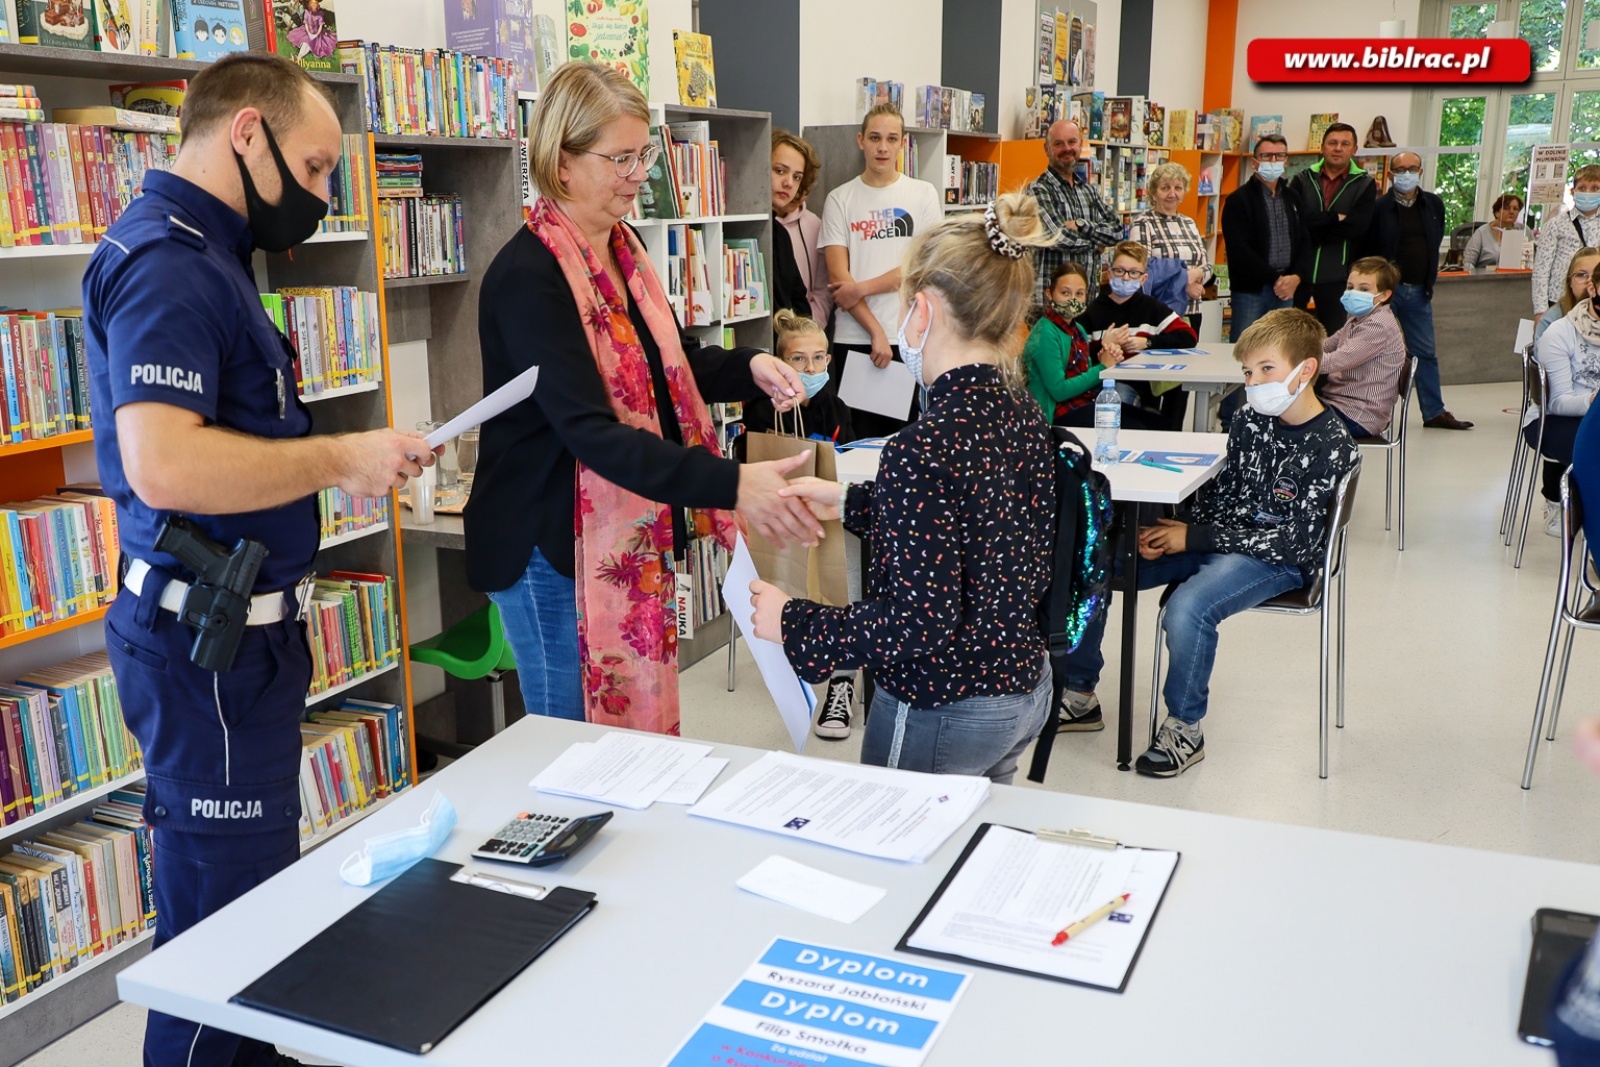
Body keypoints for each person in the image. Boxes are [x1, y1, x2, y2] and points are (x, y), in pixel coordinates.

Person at [82, 52, 433, 1067]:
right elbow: (164, 462)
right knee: (222, 934)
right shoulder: (171, 263)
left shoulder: (215, 252)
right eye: (315, 167)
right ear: (247, 131)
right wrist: (342, 458)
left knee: (245, 907)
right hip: (208, 653)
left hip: (236, 644)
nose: (320, 193)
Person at [466, 63, 820, 735]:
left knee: (619, 749)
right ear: (562, 163)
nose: (637, 176)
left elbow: (670, 364)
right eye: (619, 159)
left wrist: (750, 366)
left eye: (643, 156)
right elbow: (592, 433)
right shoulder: (528, 276)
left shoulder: (623, 250)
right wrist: (733, 482)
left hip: (609, 528)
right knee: (574, 742)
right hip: (547, 542)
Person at [748, 195, 1058, 783]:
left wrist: (794, 622)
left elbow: (918, 622)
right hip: (1021, 687)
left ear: (922, 312)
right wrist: (851, 501)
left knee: (897, 834)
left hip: (941, 704)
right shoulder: (1021, 412)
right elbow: (979, 524)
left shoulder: (922, 445)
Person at [1055, 309, 1359, 776]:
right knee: (1093, 562)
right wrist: (1172, 530)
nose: (1254, 383)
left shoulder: (1332, 444)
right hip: (1217, 540)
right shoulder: (1250, 419)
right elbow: (1223, 493)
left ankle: (1184, 727)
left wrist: (1193, 537)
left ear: (1306, 369)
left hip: (1277, 559)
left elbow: (1296, 542)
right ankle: (1080, 694)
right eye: (1248, 372)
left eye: (1266, 369)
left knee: (1188, 609)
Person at [740, 309, 859, 739]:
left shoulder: (837, 407)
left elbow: (849, 464)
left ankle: (843, 676)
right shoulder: (760, 410)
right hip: (780, 514)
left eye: (818, 358)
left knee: (847, 571)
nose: (810, 369)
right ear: (780, 362)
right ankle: (794, 654)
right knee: (784, 579)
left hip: (828, 515)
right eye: (798, 359)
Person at [819, 103, 944, 439]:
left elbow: (922, 267)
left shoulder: (923, 194)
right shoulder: (839, 199)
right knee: (857, 440)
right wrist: (875, 331)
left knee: (903, 442)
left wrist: (861, 288)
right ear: (861, 140)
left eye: (891, 139)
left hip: (910, 336)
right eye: (875, 138)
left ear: (903, 143)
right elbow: (838, 278)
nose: (883, 147)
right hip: (855, 338)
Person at [1364, 151, 1470, 430]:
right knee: (1376, 353)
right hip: (1386, 293)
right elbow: (1368, 248)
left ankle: (1434, 412)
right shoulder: (1378, 208)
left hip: (1420, 291)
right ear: (1390, 175)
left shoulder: (1433, 204)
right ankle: (1371, 412)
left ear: (1421, 172)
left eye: (1412, 168)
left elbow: (1435, 240)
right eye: (1400, 169)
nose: (1406, 174)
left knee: (1426, 354)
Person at [1079, 240, 1199, 431]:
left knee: (1117, 407)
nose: (1126, 278)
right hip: (1096, 383)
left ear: (1143, 279)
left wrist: (1147, 342)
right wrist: (1104, 345)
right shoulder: (1093, 311)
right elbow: (1078, 355)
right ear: (1110, 273)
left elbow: (1188, 336)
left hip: (1135, 386)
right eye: (1120, 271)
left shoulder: (1151, 308)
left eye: (1133, 273)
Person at [1528, 271, 1600, 538]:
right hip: (1557, 417)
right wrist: (1594, 401)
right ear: (1592, 289)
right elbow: (1556, 402)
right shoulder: (1559, 332)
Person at [1288, 122, 1376, 335]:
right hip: (1299, 274)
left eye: (1345, 144)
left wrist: (1311, 231)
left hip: (1338, 277)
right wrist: (1334, 218)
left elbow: (1356, 227)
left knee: (1333, 339)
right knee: (1291, 337)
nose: (1338, 148)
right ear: (1322, 147)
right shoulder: (1302, 179)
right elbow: (1294, 221)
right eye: (1332, 143)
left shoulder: (1364, 184)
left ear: (1354, 149)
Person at [1027, 119, 1123, 307]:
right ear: (1047, 149)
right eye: (1058, 143)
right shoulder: (1038, 189)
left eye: (1072, 142)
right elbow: (1058, 237)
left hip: (1086, 301)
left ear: (1080, 144)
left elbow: (1118, 230)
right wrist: (1095, 244)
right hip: (1050, 306)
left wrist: (1082, 226)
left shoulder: (1088, 191)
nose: (1067, 148)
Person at [1222, 133, 1305, 342]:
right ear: (1254, 162)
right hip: (1251, 291)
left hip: (1286, 289)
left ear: (1286, 161)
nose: (1273, 161)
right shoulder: (1238, 200)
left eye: (1279, 156)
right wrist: (1275, 279)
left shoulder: (1293, 197)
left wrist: (1296, 277)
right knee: (1245, 347)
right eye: (1267, 156)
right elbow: (1239, 250)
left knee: (1281, 348)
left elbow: (1304, 240)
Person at [1021, 261, 1124, 425]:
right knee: (1133, 426)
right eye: (1065, 293)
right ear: (1049, 293)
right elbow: (1059, 390)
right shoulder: (1045, 333)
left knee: (1150, 421)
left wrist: (1105, 357)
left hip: (1083, 402)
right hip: (1056, 413)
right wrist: (1102, 368)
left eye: (1079, 294)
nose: (1072, 300)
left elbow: (1083, 376)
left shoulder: (1078, 329)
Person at [1320, 256, 1407, 438]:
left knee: (1291, 418)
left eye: (1364, 289)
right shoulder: (1357, 318)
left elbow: (1333, 361)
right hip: (1340, 403)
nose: (1353, 293)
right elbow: (1327, 345)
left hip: (1359, 415)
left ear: (1384, 295)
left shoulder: (1378, 326)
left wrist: (1290, 362)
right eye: (1350, 287)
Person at [1126, 161, 1213, 328]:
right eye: (1165, 188)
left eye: (1178, 188)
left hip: (1192, 310)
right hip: (1159, 311)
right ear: (1153, 193)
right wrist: (1184, 283)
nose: (1172, 194)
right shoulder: (1143, 223)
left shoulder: (1189, 223)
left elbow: (1207, 265)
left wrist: (1198, 274)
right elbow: (1143, 270)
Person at [770, 129, 832, 328]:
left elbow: (801, 297)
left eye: (797, 177)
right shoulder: (748, 227)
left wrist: (809, 332)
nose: (789, 183)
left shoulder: (783, 234)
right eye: (780, 171)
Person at [1534, 165, 1600, 314]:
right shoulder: (1555, 225)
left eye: (1595, 188)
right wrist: (1540, 311)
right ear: (1573, 191)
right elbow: (1541, 271)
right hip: (1560, 302)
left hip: (1596, 302)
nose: (1588, 193)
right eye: (1582, 188)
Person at [1538, 247, 1600, 347]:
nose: (1590, 280)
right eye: (1581, 275)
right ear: (1570, 282)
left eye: (1597, 275)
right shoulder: (1553, 318)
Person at [1462, 194, 1526, 269]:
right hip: (1486, 275)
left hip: (1517, 274)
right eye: (1506, 208)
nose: (1512, 211)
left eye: (1515, 209)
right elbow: (1468, 263)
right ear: (1497, 213)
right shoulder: (1481, 232)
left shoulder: (1524, 230)